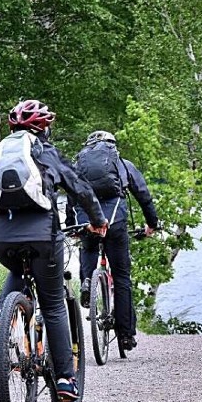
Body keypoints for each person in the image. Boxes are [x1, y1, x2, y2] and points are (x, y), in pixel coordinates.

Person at [0, 100, 107, 402]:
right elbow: (78, 186)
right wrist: (98, 221)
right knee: (54, 304)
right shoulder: (45, 152)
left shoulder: (2, 153)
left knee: (16, 270)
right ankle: (66, 379)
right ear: (44, 127)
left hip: (1, 238)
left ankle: (4, 320)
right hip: (42, 237)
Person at [67, 130, 159, 352]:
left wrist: (74, 225)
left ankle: (88, 282)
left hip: (86, 219)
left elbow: (72, 196)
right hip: (115, 221)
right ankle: (126, 336)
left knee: (88, 245)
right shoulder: (122, 164)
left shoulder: (79, 165)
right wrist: (152, 224)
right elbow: (143, 195)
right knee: (121, 277)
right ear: (112, 146)